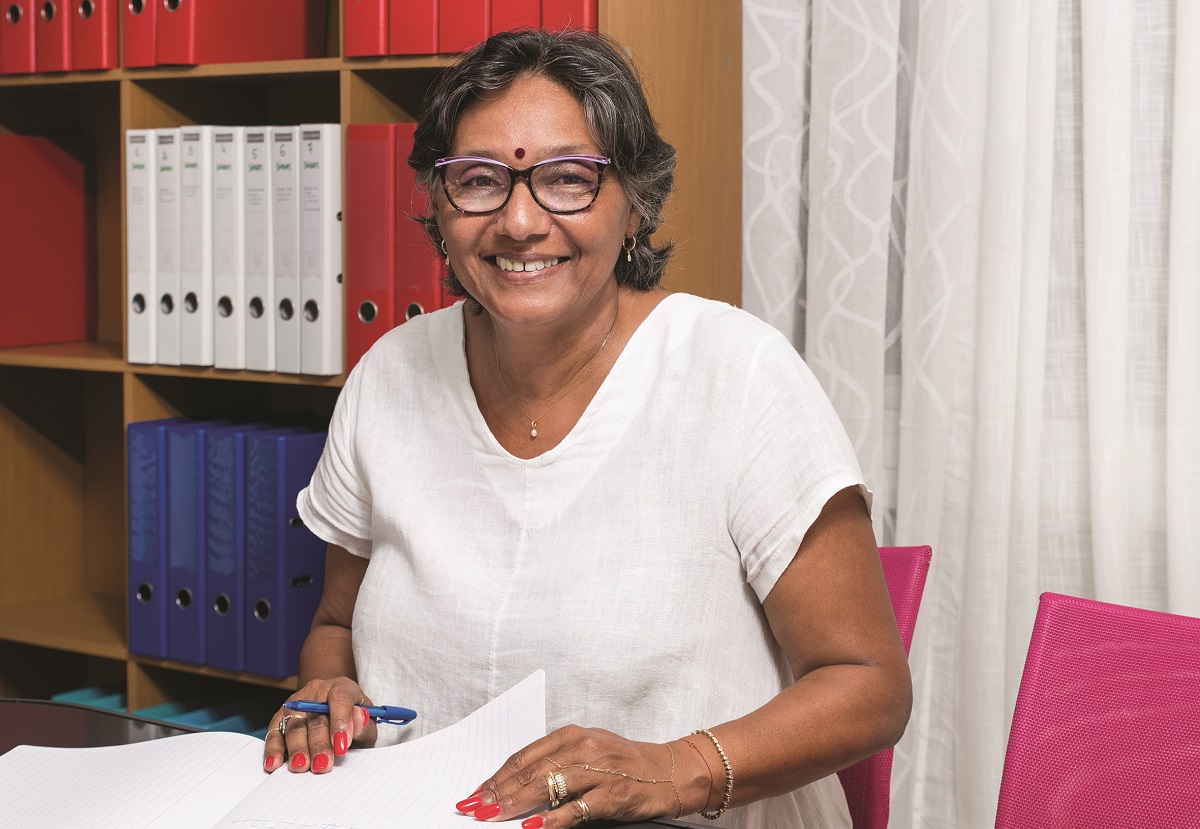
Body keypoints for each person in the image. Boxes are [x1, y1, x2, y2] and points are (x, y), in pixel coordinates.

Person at [265, 28, 911, 829]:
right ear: (440, 204)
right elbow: (334, 625)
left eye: (567, 179)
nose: (519, 221)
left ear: (634, 201)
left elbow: (869, 683)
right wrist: (327, 690)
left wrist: (676, 767)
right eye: (479, 180)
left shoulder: (738, 374)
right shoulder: (388, 375)